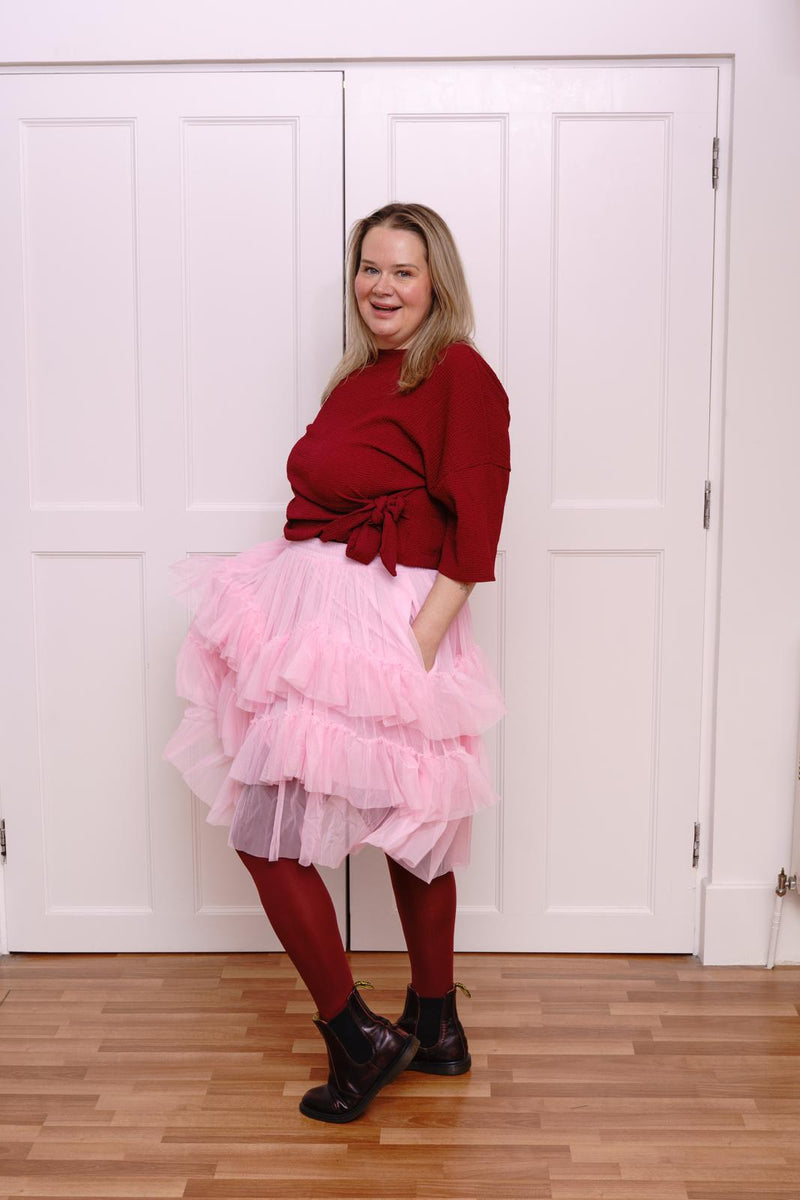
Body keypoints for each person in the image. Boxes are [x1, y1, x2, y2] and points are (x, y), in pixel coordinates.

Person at [163, 202, 511, 1124]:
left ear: (436, 281)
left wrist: (419, 643)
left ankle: (365, 1039)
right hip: (320, 613)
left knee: (340, 825)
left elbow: (478, 529)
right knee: (390, 821)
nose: (380, 287)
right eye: (369, 268)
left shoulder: (459, 373)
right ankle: (431, 1026)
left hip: (386, 619)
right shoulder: (357, 376)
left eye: (402, 270)